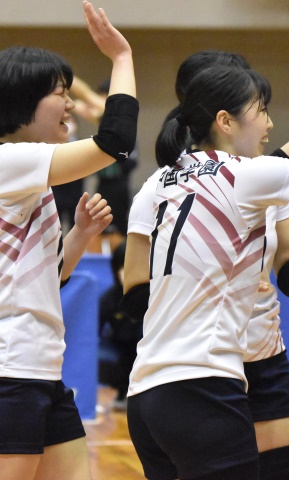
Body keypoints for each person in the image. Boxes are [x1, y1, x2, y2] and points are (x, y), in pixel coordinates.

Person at [121, 11, 289, 479]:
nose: (269, 123)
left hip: (150, 386)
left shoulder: (159, 182)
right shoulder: (245, 176)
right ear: (223, 119)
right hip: (204, 379)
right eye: (261, 110)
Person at [0, 2, 138, 479]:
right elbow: (115, 140)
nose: (71, 105)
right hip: (10, 372)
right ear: (21, 103)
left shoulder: (27, 177)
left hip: (40, 370)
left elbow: (48, 278)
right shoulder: (11, 161)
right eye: (60, 94)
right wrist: (121, 58)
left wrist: (78, 236)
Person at [72, 76, 139, 236]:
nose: (99, 100)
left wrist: (66, 76)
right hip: (104, 181)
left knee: (118, 224)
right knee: (100, 222)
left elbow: (85, 95)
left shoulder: (118, 111)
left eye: (102, 96)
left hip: (120, 181)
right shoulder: (106, 116)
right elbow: (80, 105)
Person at [98, 240, 141, 410]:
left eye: (130, 267)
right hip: (120, 348)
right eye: (121, 267)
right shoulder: (108, 299)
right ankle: (124, 392)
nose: (125, 273)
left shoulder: (153, 295)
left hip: (146, 348)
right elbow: (91, 334)